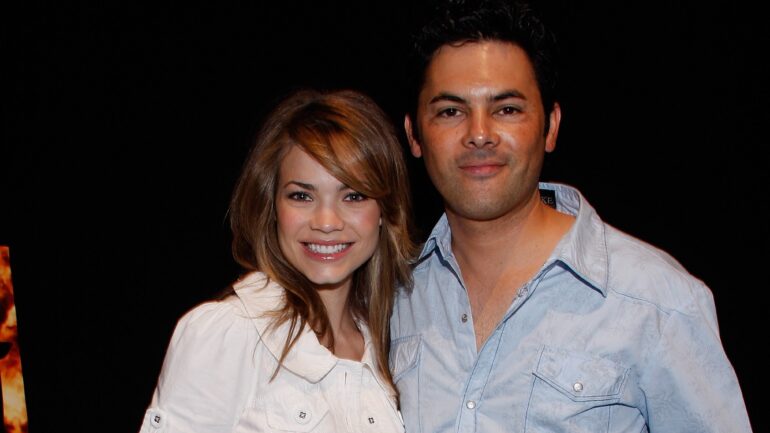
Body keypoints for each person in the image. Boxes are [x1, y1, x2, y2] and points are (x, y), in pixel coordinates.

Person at [389, 0, 753, 432]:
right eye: (451, 111)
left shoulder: (656, 302)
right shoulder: (392, 296)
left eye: (507, 109)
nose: (479, 134)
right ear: (414, 134)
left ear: (551, 126)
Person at [139, 88, 415, 433]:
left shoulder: (391, 348)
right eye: (302, 195)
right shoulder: (227, 334)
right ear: (272, 205)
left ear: (384, 212)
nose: (326, 221)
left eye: (353, 195)